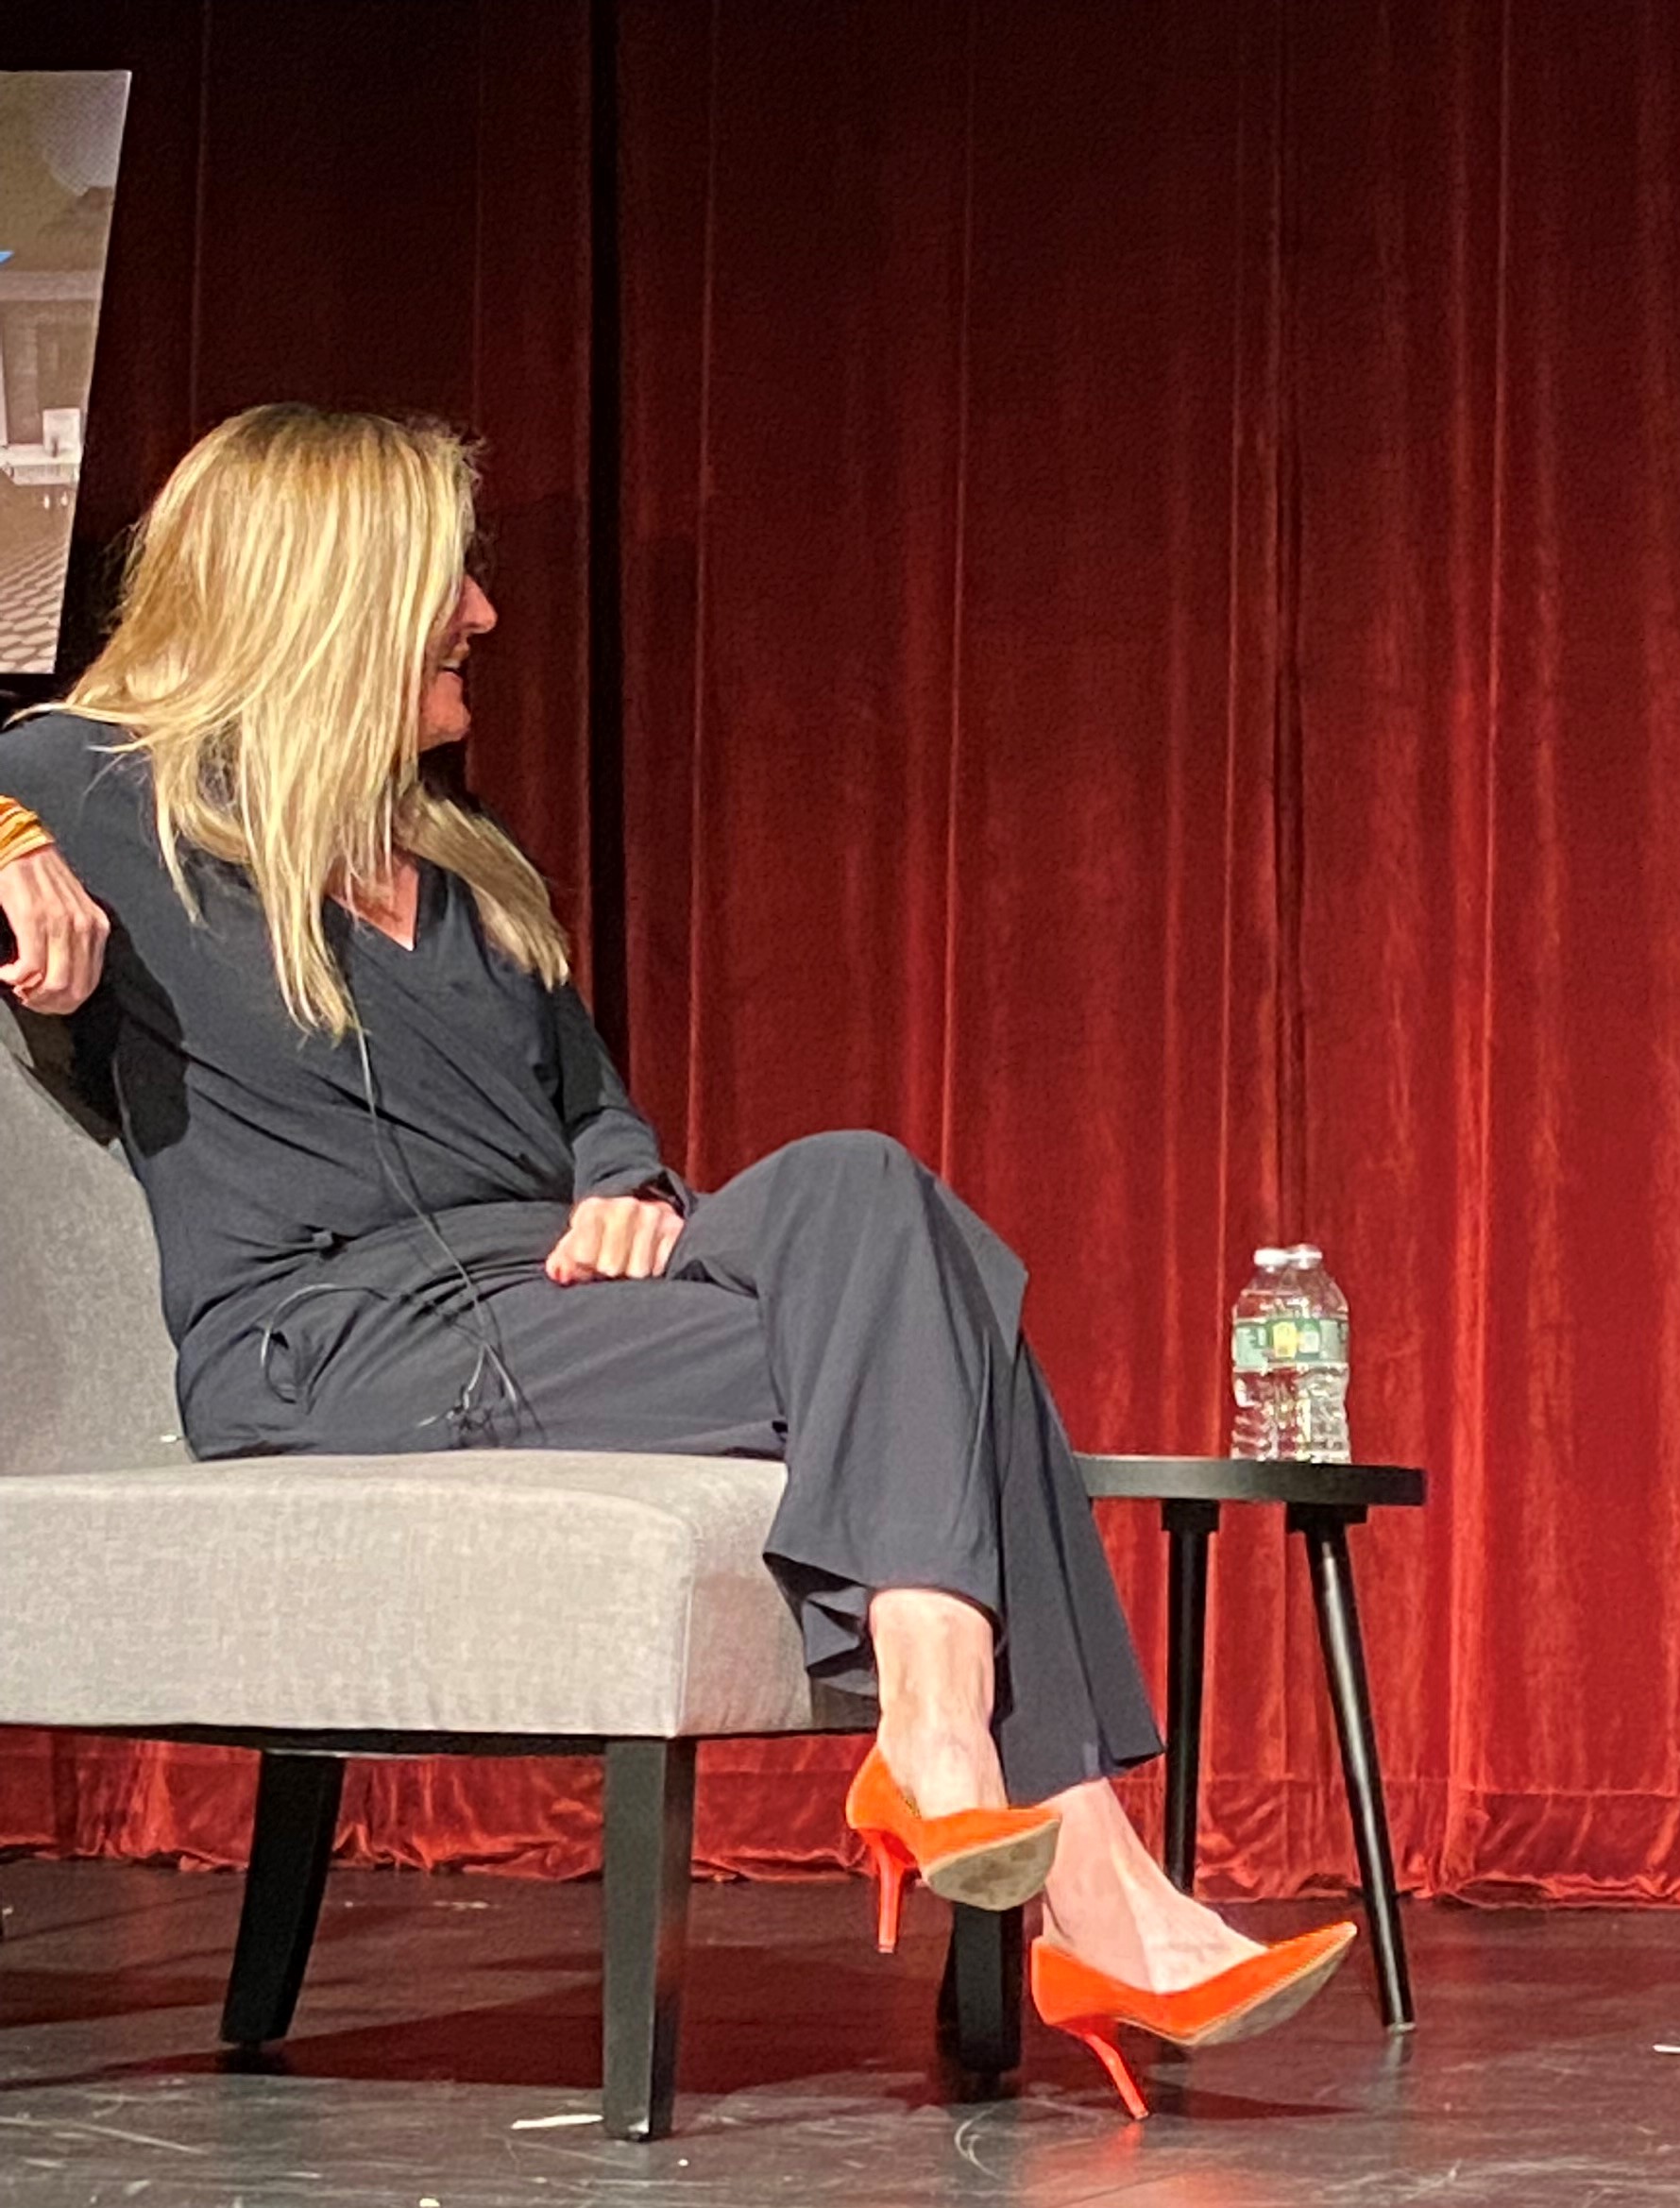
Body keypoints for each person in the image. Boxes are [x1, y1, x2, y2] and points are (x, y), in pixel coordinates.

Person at [0, 404, 1347, 2121]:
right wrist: (12, 859)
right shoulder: (95, 789)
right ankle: (1094, 1876)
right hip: (341, 1343)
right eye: (452, 577)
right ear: (332, 589)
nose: (484, 614)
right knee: (960, 1353)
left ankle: (945, 1742)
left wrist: (627, 1186)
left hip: (552, 1304)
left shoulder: (475, 876)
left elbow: (598, 1121)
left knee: (869, 1189)